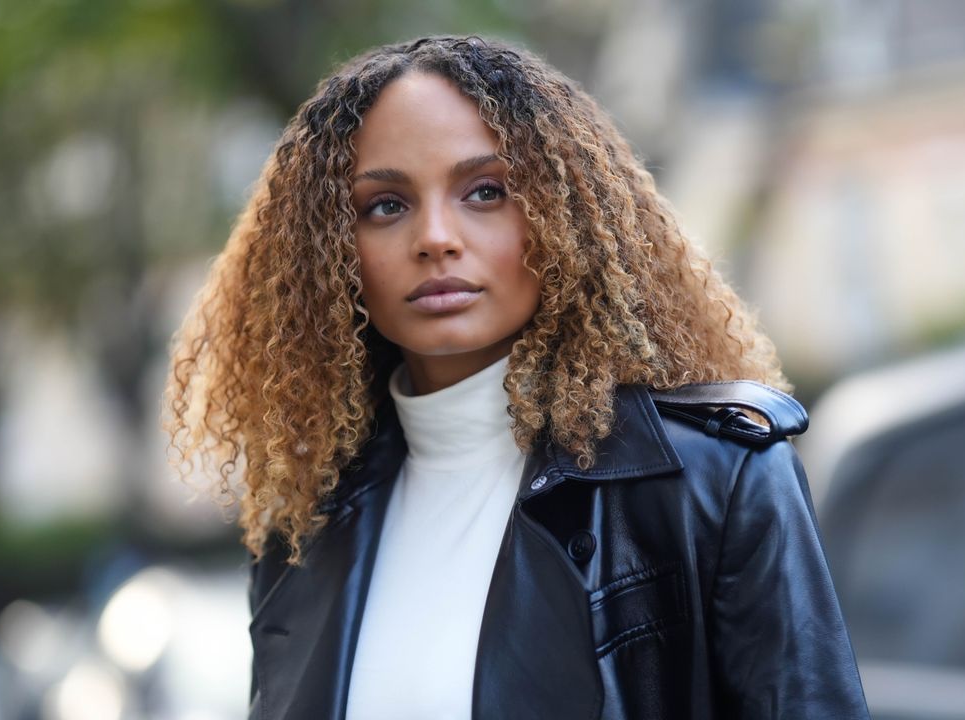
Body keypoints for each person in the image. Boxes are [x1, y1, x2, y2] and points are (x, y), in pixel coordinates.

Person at [164, 35, 869, 720]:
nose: (435, 237)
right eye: (385, 205)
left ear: (564, 217)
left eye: (485, 191)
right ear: (331, 255)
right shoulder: (305, 532)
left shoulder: (715, 478)